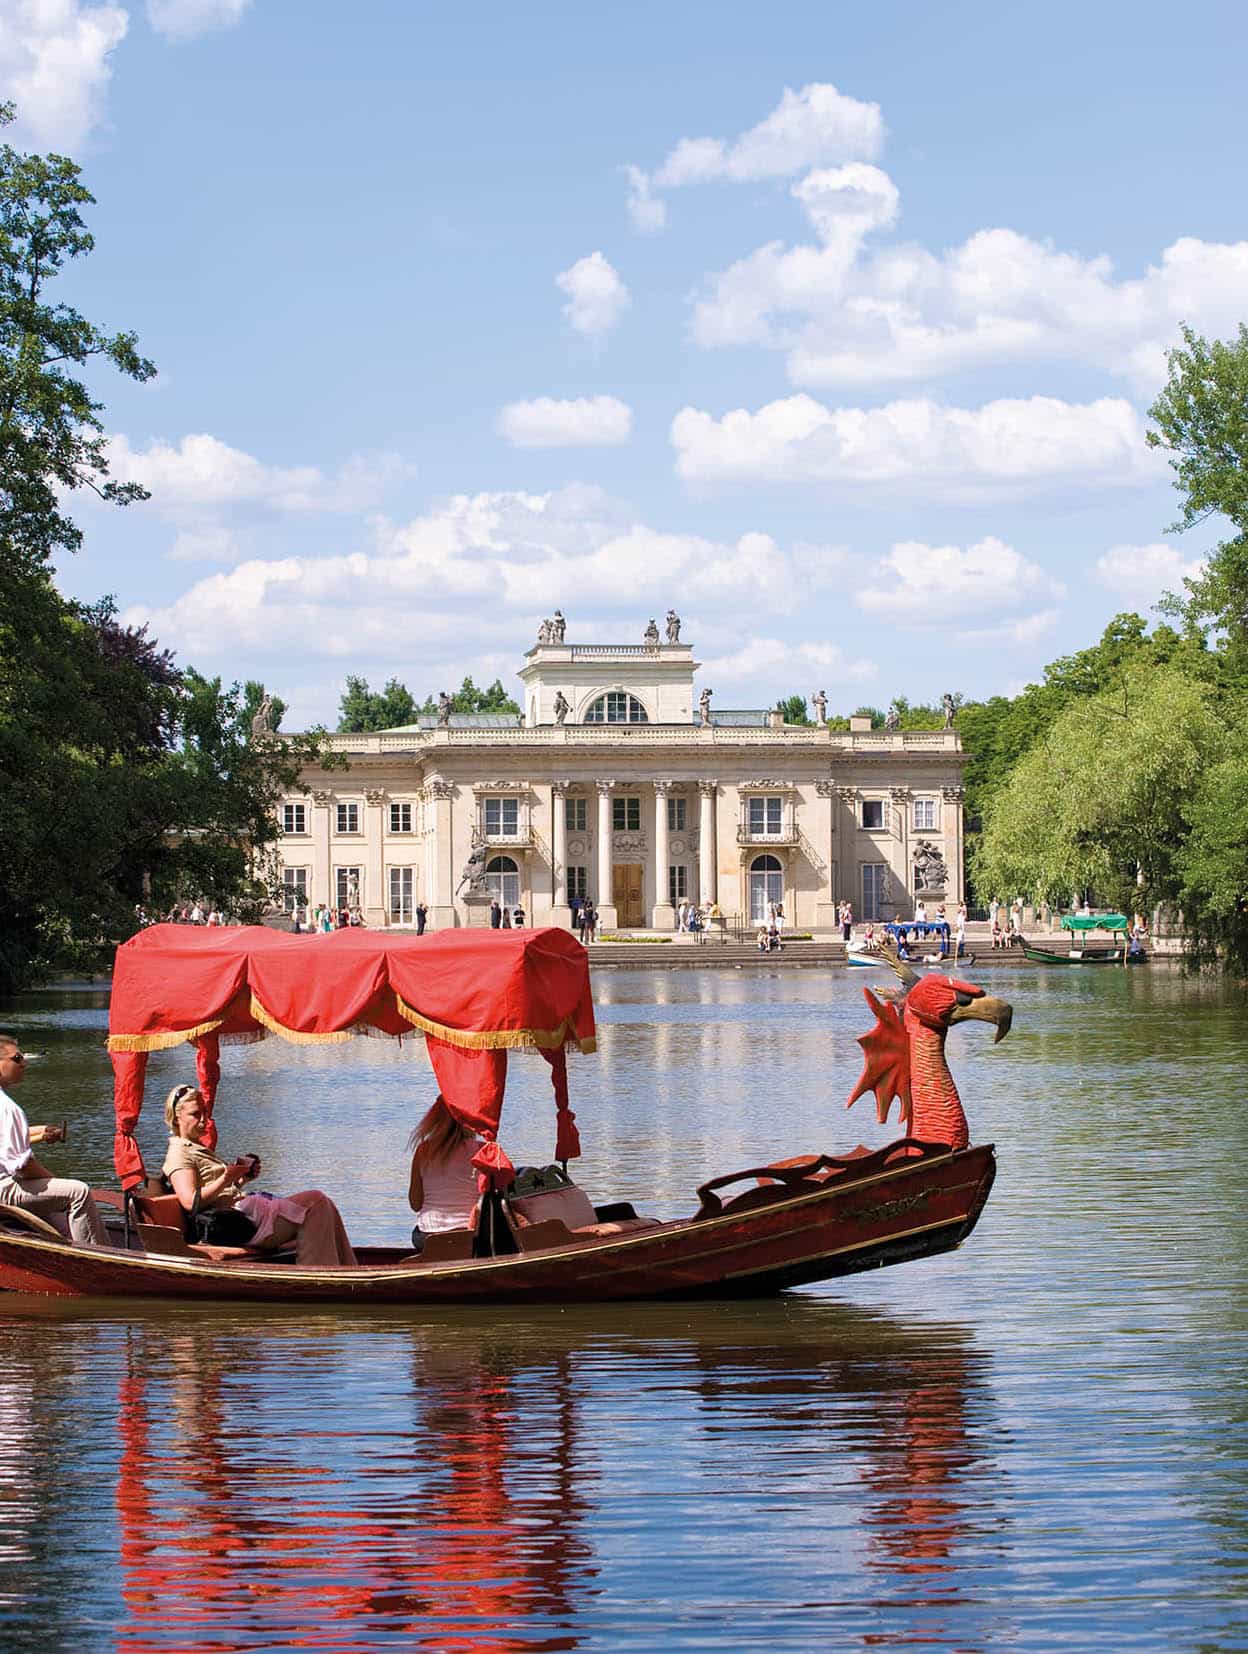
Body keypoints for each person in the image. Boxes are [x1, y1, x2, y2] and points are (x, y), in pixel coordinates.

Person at [162, 1085, 356, 1266]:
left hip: (243, 1215)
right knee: (316, 1202)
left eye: (205, 1112)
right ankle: (318, 1275)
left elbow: (219, 1194)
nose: (204, 1119)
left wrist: (240, 1179)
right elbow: (190, 1202)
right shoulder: (179, 1153)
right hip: (234, 1226)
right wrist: (226, 1178)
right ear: (177, 1118)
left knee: (325, 1205)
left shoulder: (195, 1148)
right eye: (196, 1114)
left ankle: (348, 1268)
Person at [0, 1037, 109, 1245]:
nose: (24, 1063)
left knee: (57, 1198)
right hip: (4, 1190)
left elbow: (5, 1138)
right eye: (17, 1058)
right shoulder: (8, 1108)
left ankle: (62, 1243)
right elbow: (23, 1167)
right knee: (78, 1192)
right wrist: (52, 1180)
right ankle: (99, 1258)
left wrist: (41, 1131)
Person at [407, 1096, 482, 1251]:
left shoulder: (423, 1151)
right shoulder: (481, 1151)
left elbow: (415, 1203)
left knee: (417, 1234)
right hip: (468, 1233)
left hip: (428, 1236)